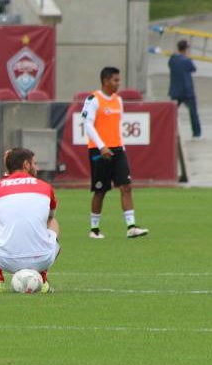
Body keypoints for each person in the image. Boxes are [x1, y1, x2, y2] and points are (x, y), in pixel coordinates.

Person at [81, 66, 149, 240]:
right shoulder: (93, 99)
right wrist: (102, 146)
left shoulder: (118, 100)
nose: (118, 83)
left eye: (118, 80)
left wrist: (122, 147)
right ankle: (94, 229)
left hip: (118, 149)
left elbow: (118, 126)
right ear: (105, 81)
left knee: (126, 186)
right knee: (100, 190)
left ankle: (131, 227)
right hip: (98, 150)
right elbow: (87, 124)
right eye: (115, 80)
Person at [0, 148, 60, 293]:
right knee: (52, 220)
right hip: (42, 259)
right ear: (26, 165)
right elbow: (50, 215)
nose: (37, 167)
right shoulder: (46, 187)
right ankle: (43, 276)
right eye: (35, 163)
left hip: (5, 260)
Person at [168, 40, 202, 139]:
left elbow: (171, 64)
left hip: (175, 91)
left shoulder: (172, 60)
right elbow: (193, 69)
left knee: (172, 113)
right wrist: (188, 57)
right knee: (193, 113)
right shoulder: (187, 60)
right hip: (187, 91)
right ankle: (196, 134)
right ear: (186, 49)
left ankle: (170, 131)